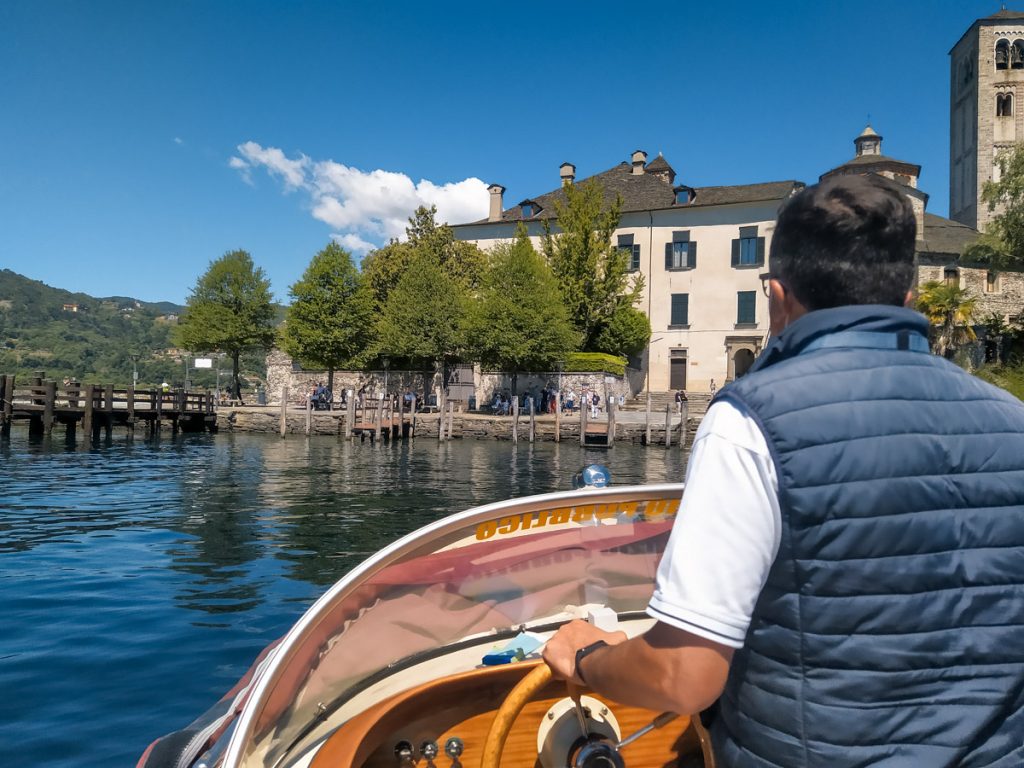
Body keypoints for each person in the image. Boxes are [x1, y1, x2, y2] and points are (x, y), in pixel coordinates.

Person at [543, 174, 1024, 766]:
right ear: (908, 300)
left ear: (776, 296)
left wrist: (588, 654)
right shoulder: (1014, 419)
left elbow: (682, 676)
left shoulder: (754, 419)